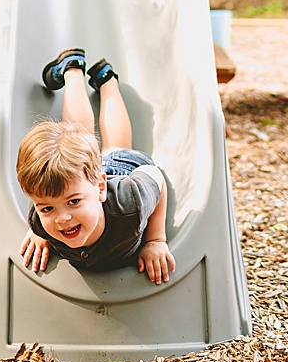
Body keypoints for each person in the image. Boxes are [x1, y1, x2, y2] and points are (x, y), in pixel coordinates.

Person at [16, 48, 175, 284]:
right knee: (78, 145)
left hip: (124, 170)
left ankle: (104, 80)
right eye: (47, 208)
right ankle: (84, 72)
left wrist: (155, 240)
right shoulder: (41, 220)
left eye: (73, 202)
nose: (62, 218)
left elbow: (155, 176)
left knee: (114, 148)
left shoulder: (130, 202)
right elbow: (46, 199)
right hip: (83, 181)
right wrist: (39, 234)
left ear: (101, 187)